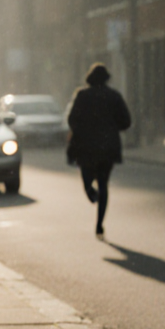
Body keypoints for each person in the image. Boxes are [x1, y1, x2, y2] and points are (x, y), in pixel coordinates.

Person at [67, 63, 132, 238]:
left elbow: (72, 120)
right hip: (107, 148)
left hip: (86, 148)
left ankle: (91, 193)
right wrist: (111, 127)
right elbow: (126, 122)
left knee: (87, 178)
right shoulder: (114, 97)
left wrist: (82, 131)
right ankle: (99, 224)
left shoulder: (82, 96)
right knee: (104, 185)